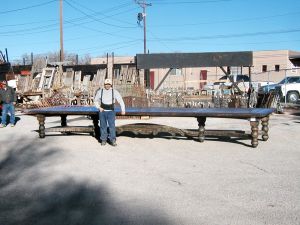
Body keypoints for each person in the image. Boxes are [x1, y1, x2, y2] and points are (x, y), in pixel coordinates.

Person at [94, 78, 125, 146]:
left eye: (109, 84)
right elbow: (95, 101)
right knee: (103, 126)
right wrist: (99, 107)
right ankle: (103, 140)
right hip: (102, 112)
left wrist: (123, 110)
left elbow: (120, 100)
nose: (107, 85)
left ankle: (112, 140)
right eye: (106, 84)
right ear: (104, 85)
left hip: (111, 112)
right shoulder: (100, 91)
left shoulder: (114, 91)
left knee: (112, 126)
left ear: (111, 85)